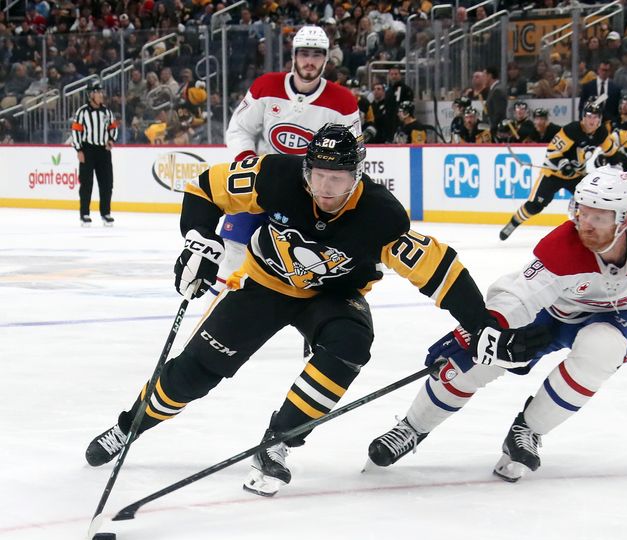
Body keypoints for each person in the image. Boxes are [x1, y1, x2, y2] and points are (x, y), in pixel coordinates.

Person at [84, 124, 509, 497]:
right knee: (195, 371)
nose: (326, 188)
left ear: (357, 176)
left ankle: (279, 440)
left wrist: (480, 321)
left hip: (333, 294)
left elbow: (438, 269)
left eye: (338, 178)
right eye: (319, 175)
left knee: (351, 342)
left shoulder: (381, 216)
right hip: (264, 283)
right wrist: (199, 240)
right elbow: (204, 189)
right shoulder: (275, 176)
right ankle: (128, 427)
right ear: (306, 170)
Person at [366, 165, 627, 482]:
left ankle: (528, 431)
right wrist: (481, 330)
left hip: (618, 317)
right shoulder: (561, 248)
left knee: (601, 348)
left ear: (626, 218)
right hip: (552, 313)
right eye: (581, 212)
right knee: (480, 359)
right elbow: (519, 297)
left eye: (598, 217)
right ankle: (412, 427)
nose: (585, 224)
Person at [218, 25, 361, 296]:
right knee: (234, 254)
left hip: (309, 197)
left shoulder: (342, 101)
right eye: (304, 54)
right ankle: (216, 319)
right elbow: (239, 130)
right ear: (293, 56)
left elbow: (353, 154)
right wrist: (251, 166)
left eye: (317, 55)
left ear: (326, 58)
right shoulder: (266, 86)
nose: (309, 61)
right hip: (262, 185)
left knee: (304, 268)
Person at [498, 99, 620, 241]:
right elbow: (552, 152)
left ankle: (583, 232)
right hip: (553, 174)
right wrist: (564, 164)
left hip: (576, 176)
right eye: (589, 116)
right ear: (583, 117)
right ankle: (514, 223)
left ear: (600, 120)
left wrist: (616, 166)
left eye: (595, 117)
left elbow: (611, 152)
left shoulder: (601, 133)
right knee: (535, 206)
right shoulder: (572, 130)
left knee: (589, 202)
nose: (592, 120)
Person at [71, 81, 118, 227]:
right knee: (86, 183)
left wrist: (111, 140)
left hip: (103, 151)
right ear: (91, 95)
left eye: (101, 92)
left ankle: (106, 213)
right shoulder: (82, 112)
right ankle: (84, 214)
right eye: (98, 92)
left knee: (107, 183)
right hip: (88, 150)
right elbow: (76, 131)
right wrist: (79, 149)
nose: (101, 95)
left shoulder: (107, 112)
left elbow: (113, 127)